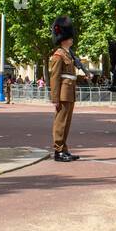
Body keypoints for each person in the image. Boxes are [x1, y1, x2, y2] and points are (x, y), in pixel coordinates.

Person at [48, 16, 79, 162]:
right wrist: (55, 98)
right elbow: (54, 78)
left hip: (69, 92)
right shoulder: (58, 56)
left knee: (66, 123)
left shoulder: (68, 55)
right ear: (63, 38)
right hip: (62, 93)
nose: (72, 39)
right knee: (60, 122)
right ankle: (58, 150)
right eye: (69, 37)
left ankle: (64, 149)